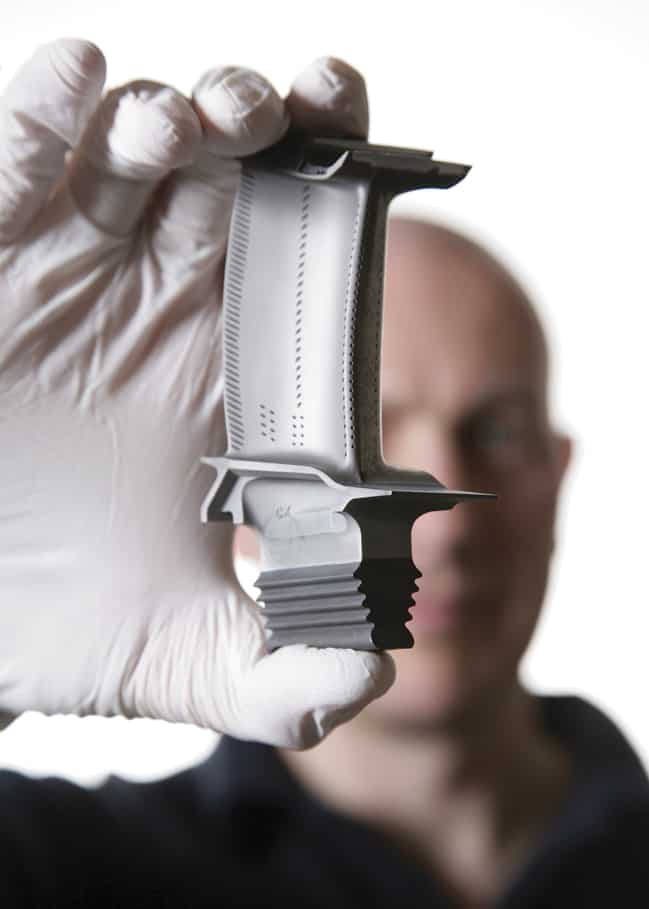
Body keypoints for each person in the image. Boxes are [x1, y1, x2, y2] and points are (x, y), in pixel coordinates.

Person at [1, 38, 648, 909]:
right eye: (370, 428)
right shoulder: (60, 865)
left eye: (493, 430)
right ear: (233, 491)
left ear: (556, 473)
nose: (446, 524)